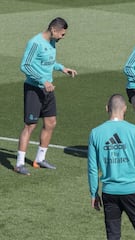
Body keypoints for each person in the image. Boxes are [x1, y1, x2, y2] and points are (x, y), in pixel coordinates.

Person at [88, 94, 135, 240]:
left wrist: (94, 194)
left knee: (113, 236)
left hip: (109, 193)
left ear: (107, 109)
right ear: (125, 109)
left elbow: (93, 168)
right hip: (133, 192)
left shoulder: (95, 133)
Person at [14, 17, 77, 175]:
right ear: (53, 30)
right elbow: (25, 65)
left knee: (51, 122)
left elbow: (48, 62)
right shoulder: (35, 43)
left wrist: (62, 68)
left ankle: (39, 159)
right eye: (62, 34)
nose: (62, 37)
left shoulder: (52, 42)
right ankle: (19, 163)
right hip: (34, 89)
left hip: (48, 89)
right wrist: (42, 80)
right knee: (30, 125)